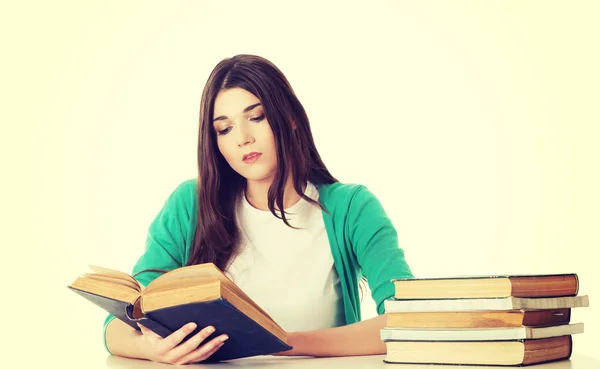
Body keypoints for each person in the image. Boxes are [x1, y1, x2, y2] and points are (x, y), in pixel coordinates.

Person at [104, 54, 413, 365]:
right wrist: (149, 349)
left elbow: (407, 321)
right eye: (224, 129)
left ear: (290, 117)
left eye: (256, 117)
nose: (243, 139)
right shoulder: (191, 203)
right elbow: (120, 321)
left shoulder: (351, 208)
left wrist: (285, 342)